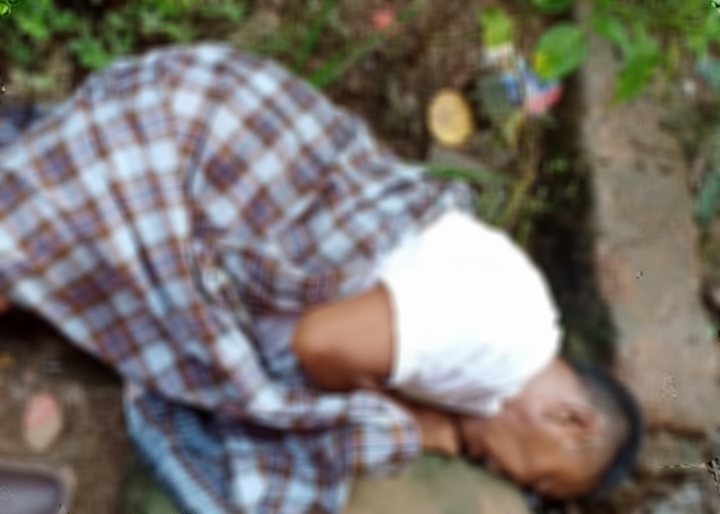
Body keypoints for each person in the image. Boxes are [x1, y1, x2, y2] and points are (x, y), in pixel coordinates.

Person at [0, 43, 642, 513]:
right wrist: (416, 420)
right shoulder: (507, 339)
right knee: (28, 251)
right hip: (193, 142)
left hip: (211, 150)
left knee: (50, 262)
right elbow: (320, 343)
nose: (509, 477)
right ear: (572, 421)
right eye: (540, 481)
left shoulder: (502, 339)